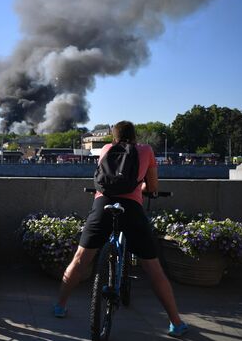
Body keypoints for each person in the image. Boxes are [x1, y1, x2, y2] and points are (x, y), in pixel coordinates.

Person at [54, 121, 189, 337]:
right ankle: (176, 322)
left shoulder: (107, 149)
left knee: (80, 259)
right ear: (135, 136)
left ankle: (60, 305)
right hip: (131, 209)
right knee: (153, 268)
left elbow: (103, 178)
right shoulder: (145, 150)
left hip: (103, 205)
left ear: (113, 138)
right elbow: (153, 186)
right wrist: (141, 187)